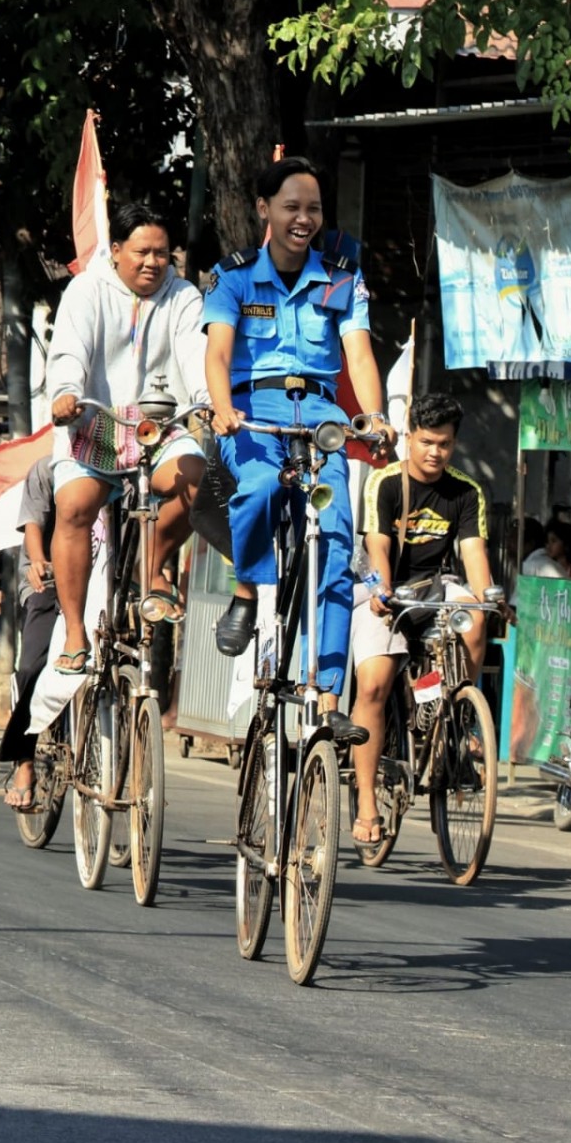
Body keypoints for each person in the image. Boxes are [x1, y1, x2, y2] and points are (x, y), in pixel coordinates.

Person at [203, 156, 395, 741]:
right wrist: (223, 408)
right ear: (265, 210)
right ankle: (245, 588)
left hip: (320, 421)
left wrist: (376, 417)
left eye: (313, 208)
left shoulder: (341, 277)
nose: (303, 218)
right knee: (259, 489)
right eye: (291, 207)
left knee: (336, 545)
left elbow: (358, 353)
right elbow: (217, 352)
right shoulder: (232, 277)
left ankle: (326, 693)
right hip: (252, 416)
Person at [48, 202, 208, 674]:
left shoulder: (184, 296)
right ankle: (76, 633)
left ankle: (153, 566)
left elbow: (196, 354)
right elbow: (69, 353)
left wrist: (209, 401)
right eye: (141, 252)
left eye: (162, 252)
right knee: (74, 506)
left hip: (158, 427)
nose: (152, 262)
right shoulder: (86, 290)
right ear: (116, 250)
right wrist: (66, 394)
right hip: (93, 422)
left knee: (198, 479)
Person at [347, 393, 494, 847]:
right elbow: (378, 545)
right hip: (381, 587)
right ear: (410, 437)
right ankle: (368, 799)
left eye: (445, 444)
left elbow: (474, 554)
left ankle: (457, 711)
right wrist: (383, 591)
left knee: (474, 616)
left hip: (434, 586)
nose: (436, 452)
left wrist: (488, 597)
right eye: (428, 441)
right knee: (374, 682)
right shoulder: (385, 483)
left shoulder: (466, 492)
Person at [0, 458, 58, 810]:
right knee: (33, 665)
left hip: (100, 580)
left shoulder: (125, 468)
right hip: (45, 577)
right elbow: (32, 523)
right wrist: (38, 560)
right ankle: (23, 762)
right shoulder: (47, 469)